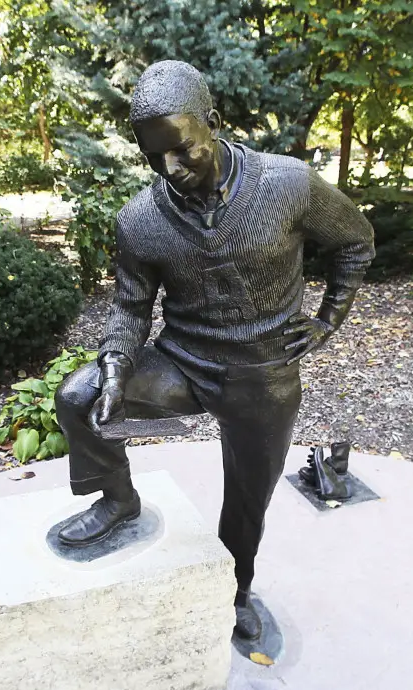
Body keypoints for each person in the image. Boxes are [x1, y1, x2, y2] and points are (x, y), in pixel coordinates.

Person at [53, 60, 375, 642]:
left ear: (214, 123)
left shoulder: (288, 185)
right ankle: (118, 499)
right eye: (155, 157)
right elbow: (130, 309)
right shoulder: (140, 220)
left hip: (265, 375)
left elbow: (356, 242)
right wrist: (117, 367)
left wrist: (328, 320)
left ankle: (236, 591)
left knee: (247, 501)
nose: (171, 169)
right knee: (79, 397)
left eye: (183, 149)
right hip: (184, 363)